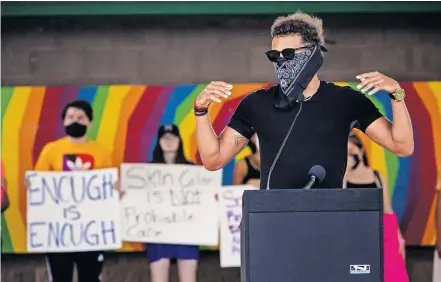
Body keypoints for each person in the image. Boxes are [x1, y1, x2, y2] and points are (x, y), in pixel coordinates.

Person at [194, 12, 413, 191]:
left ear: (313, 53)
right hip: (273, 219)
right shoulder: (257, 103)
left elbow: (402, 146)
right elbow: (213, 160)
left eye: (288, 53)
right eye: (274, 55)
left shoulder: (345, 100)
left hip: (328, 219)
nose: (280, 61)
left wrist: (396, 94)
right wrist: (201, 111)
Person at [24, 100, 115, 282]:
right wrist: (31, 184)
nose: (76, 121)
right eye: (71, 117)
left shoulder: (102, 152)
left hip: (91, 230)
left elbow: (110, 186)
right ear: (64, 121)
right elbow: (38, 185)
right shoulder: (51, 150)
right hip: (59, 231)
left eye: (81, 118)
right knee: (60, 277)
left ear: (89, 123)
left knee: (90, 278)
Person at [343, 132, 409, 282]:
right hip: (355, 233)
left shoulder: (377, 176)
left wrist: (400, 239)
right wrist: (345, 171)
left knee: (391, 273)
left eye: (352, 152)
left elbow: (388, 209)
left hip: (381, 232)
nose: (350, 157)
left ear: (361, 151)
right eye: (345, 154)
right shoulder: (343, 179)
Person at [147, 124, 199, 282]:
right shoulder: (145, 171)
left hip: (186, 232)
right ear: (159, 142)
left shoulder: (192, 169)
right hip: (158, 233)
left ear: (179, 141)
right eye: (165, 138)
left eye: (173, 138)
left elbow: (203, 197)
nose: (169, 141)